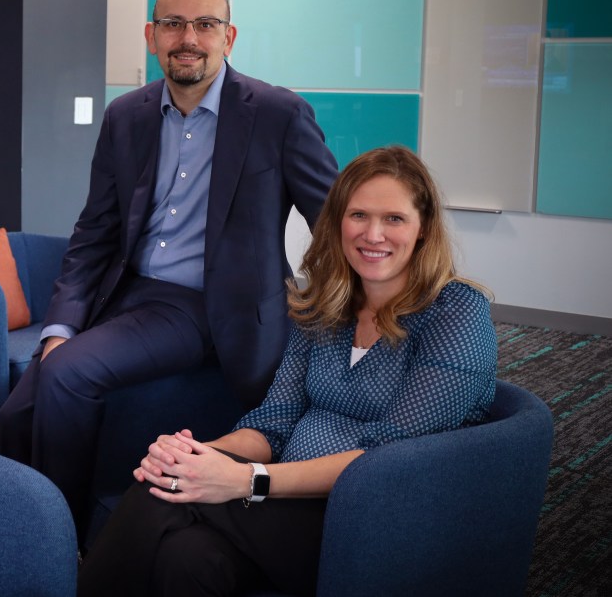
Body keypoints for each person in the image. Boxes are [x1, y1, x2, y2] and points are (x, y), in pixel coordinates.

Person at [0, 0, 339, 534]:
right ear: (152, 36)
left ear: (228, 38)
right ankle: (17, 527)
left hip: (206, 304)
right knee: (19, 407)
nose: (189, 38)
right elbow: (96, 230)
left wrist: (342, 306)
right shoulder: (126, 115)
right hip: (126, 292)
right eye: (175, 24)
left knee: (68, 376)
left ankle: (62, 541)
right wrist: (60, 324)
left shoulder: (277, 114)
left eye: (205, 25)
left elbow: (333, 218)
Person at [77, 146, 499, 597]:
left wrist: (248, 480)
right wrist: (200, 456)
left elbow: (390, 459)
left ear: (422, 230)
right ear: (337, 221)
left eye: (394, 218)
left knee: (157, 493)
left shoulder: (456, 313)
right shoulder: (326, 306)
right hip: (283, 501)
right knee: (189, 553)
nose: (373, 233)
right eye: (358, 215)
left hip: (376, 523)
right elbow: (273, 423)